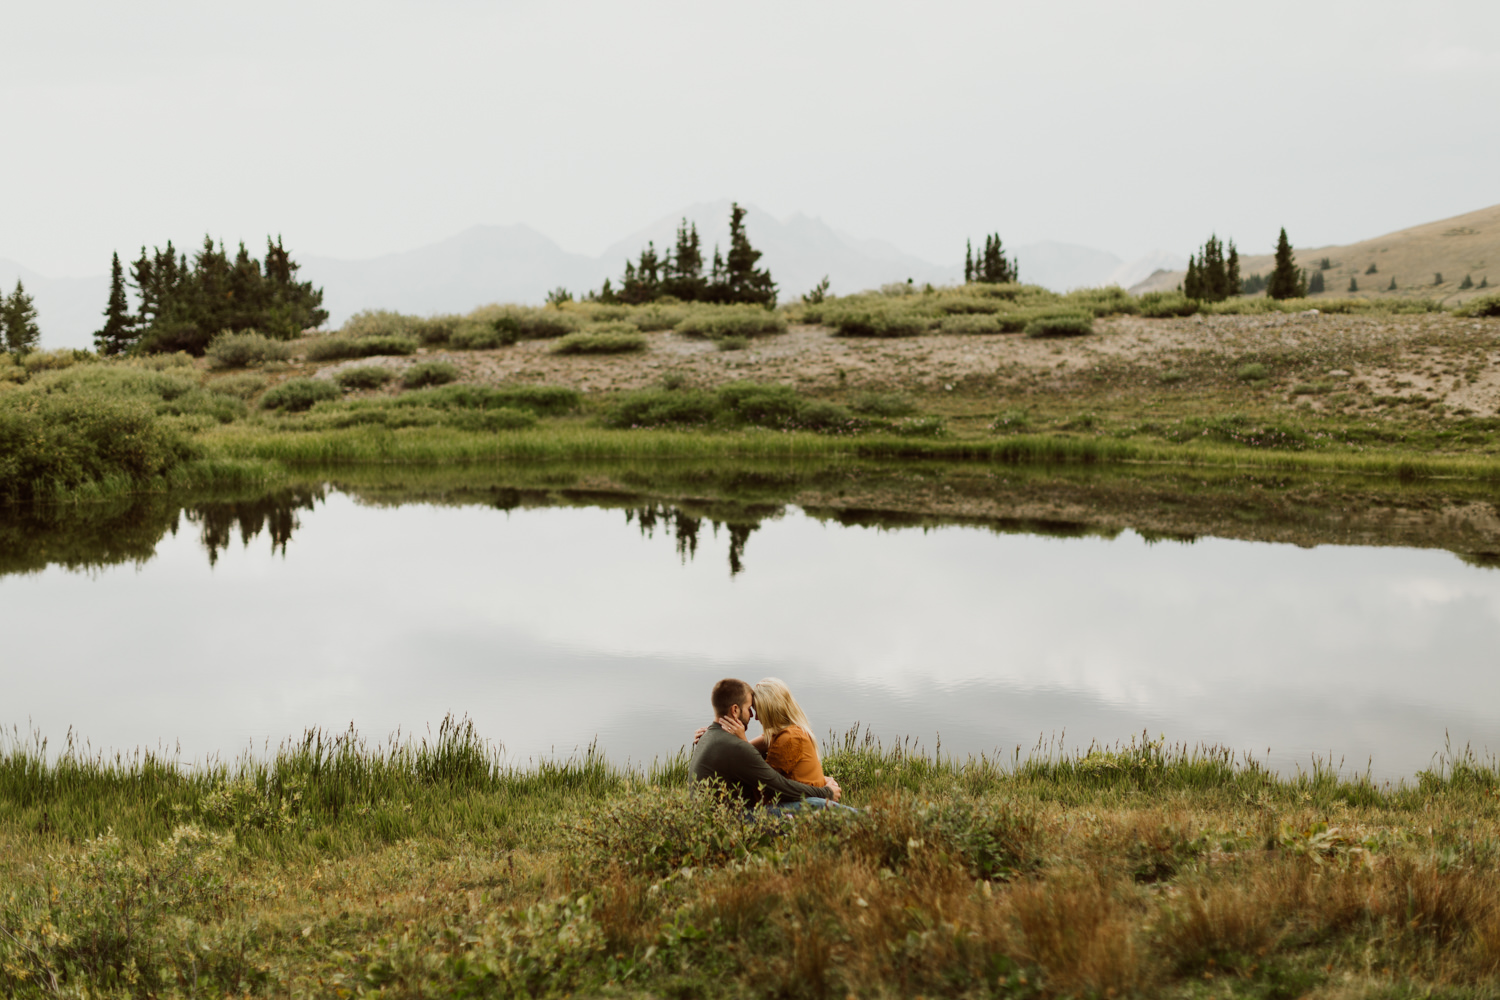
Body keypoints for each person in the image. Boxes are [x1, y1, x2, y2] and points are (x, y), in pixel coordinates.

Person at [689, 678, 842, 811]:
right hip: (737, 817)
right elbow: (773, 784)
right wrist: (825, 791)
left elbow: (769, 779)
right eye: (750, 709)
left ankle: (863, 819)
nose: (754, 717)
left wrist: (823, 784)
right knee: (818, 804)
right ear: (735, 710)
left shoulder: (787, 737)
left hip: (720, 816)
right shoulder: (769, 737)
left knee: (817, 803)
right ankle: (863, 819)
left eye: (756, 710)